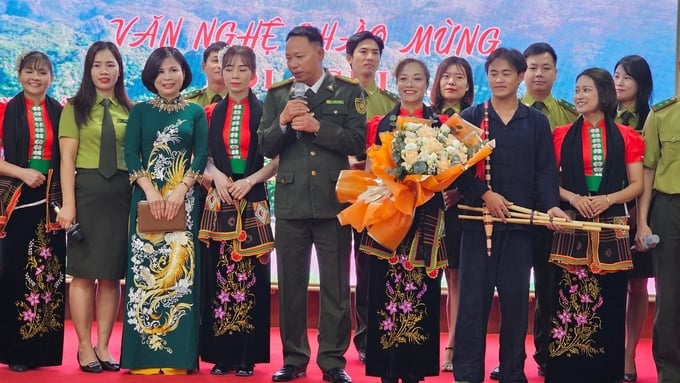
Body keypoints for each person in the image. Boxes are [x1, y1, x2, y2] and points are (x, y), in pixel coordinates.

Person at [452, 47, 568, 383]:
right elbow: (455, 170)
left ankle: (513, 371)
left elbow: (545, 172)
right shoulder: (472, 116)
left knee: (517, 305)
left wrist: (551, 207)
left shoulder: (536, 121)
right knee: (473, 303)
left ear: (520, 77)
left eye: (506, 73)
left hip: (521, 228)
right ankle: (467, 372)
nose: (499, 79)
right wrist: (484, 194)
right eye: (493, 73)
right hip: (477, 225)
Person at [257, 25, 366, 383]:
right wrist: (284, 122)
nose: (293, 64)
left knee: (336, 288)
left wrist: (319, 126)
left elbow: (357, 142)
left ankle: (333, 361)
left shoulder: (348, 92)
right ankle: (293, 359)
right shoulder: (278, 96)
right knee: (290, 286)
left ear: (320, 52)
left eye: (300, 56)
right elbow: (265, 147)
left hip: (334, 203)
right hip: (290, 203)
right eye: (288, 57)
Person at [486, 42, 579, 381]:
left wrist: (555, 204)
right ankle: (510, 360)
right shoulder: (495, 112)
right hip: (513, 218)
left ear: (555, 72)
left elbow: (550, 170)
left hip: (552, 214)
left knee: (549, 288)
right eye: (533, 67)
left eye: (546, 68)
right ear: (524, 74)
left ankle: (547, 354)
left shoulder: (570, 113)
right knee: (511, 292)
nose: (539, 74)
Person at [546, 68, 644, 383]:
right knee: (568, 299)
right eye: (577, 90)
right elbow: (550, 182)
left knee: (610, 301)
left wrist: (606, 199)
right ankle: (565, 372)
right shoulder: (560, 134)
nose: (579, 96)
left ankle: (606, 373)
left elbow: (637, 185)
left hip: (611, 226)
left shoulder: (627, 135)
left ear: (604, 94)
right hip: (573, 224)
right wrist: (574, 199)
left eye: (586, 90)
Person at [120, 47, 208, 375]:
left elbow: (200, 156)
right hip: (146, 200)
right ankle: (142, 359)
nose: (167, 78)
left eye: (173, 70)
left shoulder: (196, 112)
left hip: (183, 203)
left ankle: (176, 359)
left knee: (181, 277)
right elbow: (131, 155)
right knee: (144, 274)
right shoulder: (140, 112)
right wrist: (151, 191)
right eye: (160, 72)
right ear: (151, 78)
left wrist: (181, 190)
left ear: (184, 73)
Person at [360, 58, 448, 383]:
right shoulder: (380, 123)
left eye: (417, 79)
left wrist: (427, 184)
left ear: (427, 85)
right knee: (384, 286)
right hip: (389, 213)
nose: (410, 85)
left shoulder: (440, 125)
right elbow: (371, 172)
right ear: (396, 83)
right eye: (404, 79)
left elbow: (446, 175)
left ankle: (414, 367)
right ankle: (387, 366)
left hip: (425, 212)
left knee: (422, 287)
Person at [198, 45, 278, 377]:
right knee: (217, 274)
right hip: (219, 197)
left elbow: (278, 158)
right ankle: (222, 354)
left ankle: (247, 355)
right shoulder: (208, 113)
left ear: (253, 74)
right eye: (228, 68)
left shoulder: (266, 111)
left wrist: (250, 180)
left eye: (242, 69)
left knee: (251, 277)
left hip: (253, 195)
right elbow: (200, 155)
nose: (234, 75)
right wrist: (215, 175)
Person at [57, 41, 133, 374]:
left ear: (120, 70)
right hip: (85, 193)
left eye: (111, 65)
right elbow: (67, 160)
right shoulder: (74, 108)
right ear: (89, 70)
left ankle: (104, 345)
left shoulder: (131, 110)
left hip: (121, 195)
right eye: (98, 65)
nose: (104, 71)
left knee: (112, 276)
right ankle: (84, 346)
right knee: (84, 276)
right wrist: (68, 204)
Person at [0, 51, 65, 372]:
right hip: (16, 200)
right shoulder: (4, 110)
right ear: (19, 74)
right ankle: (15, 351)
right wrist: (22, 173)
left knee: (46, 271)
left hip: (51, 200)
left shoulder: (61, 112)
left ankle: (40, 349)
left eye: (41, 73)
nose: (34, 78)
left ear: (51, 77)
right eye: (29, 72)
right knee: (13, 271)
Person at [344, 30, 397, 364]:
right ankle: (361, 337)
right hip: (347, 193)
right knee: (357, 269)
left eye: (375, 52)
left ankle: (382, 332)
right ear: (349, 58)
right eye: (362, 52)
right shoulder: (335, 97)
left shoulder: (390, 103)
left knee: (377, 267)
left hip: (383, 197)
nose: (369, 57)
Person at [429, 55, 474, 374]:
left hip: (462, 209)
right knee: (430, 277)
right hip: (428, 208)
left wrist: (461, 190)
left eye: (459, 77)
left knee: (457, 278)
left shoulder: (475, 120)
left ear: (468, 85)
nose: (452, 82)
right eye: (446, 76)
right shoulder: (425, 119)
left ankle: (453, 346)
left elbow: (481, 167)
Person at [635, 77, 680, 383]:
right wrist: (642, 221)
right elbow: (648, 171)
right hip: (669, 209)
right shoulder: (662, 114)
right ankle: (671, 372)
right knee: (670, 295)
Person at [613, 55, 653, 383]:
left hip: (640, 213)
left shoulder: (652, 118)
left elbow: (649, 173)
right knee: (609, 282)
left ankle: (628, 354)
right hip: (609, 212)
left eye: (627, 77)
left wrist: (641, 218)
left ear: (641, 83)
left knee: (638, 285)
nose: (620, 82)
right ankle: (608, 350)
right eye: (616, 76)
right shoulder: (602, 116)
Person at [184, 41, 229, 106]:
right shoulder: (189, 103)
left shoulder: (242, 102)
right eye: (216, 61)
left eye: (225, 61)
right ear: (204, 66)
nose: (220, 66)